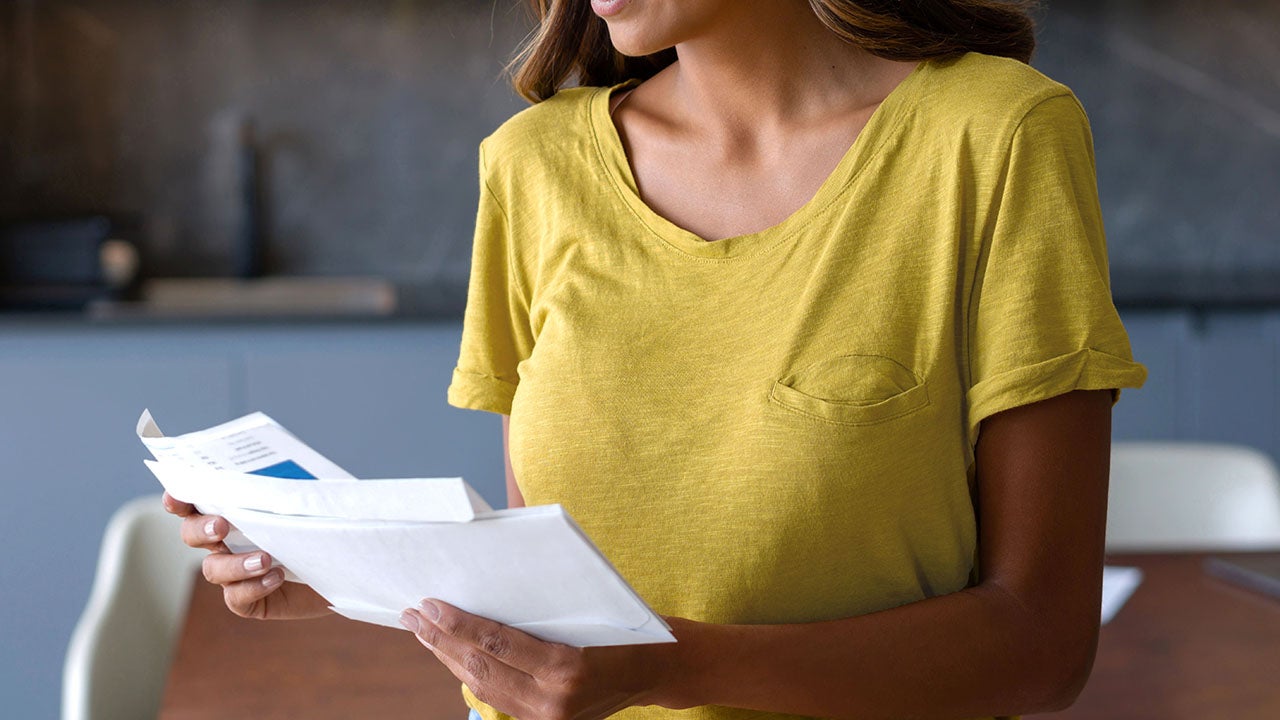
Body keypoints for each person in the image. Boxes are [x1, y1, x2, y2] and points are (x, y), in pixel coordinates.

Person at [165, 1, 1149, 718]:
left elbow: (1040, 644)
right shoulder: (531, 167)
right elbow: (545, 584)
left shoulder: (996, 136)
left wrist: (662, 667)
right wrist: (349, 575)